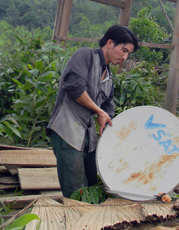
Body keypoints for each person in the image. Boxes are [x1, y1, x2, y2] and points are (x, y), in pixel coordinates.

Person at [47, 25, 139, 198]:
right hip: (68, 132)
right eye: (123, 50)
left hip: (89, 138)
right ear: (110, 43)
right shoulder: (85, 55)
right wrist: (99, 111)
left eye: (128, 54)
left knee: (92, 186)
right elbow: (74, 87)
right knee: (76, 190)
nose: (125, 57)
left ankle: (89, 222)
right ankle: (77, 221)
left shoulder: (109, 77)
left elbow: (108, 109)